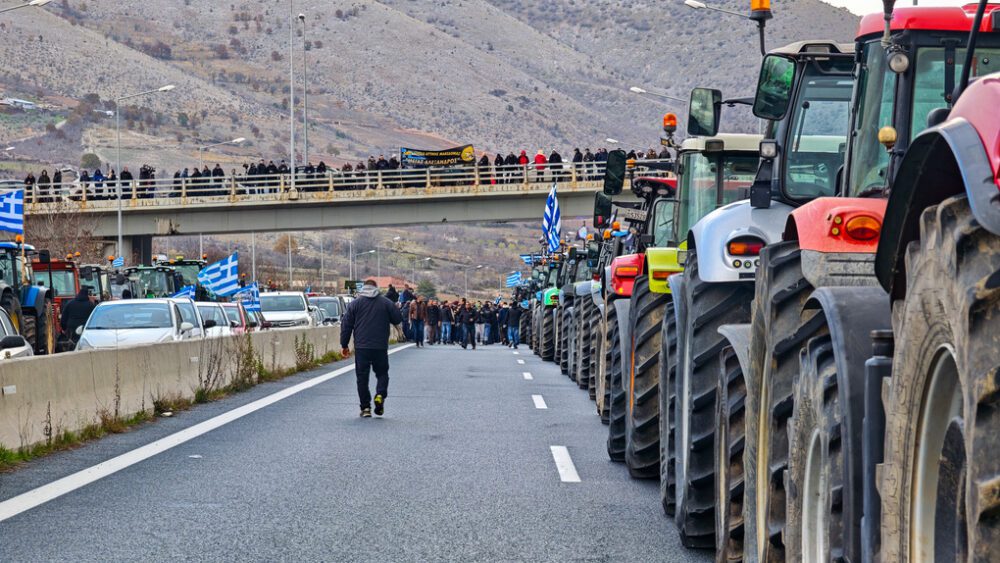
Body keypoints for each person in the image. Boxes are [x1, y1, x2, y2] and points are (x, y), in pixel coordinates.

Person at [340, 279, 403, 418]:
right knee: (382, 373)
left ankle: (366, 408)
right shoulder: (386, 303)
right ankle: (380, 394)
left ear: (364, 288)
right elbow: (398, 318)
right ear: (376, 288)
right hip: (380, 347)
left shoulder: (355, 304)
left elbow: (346, 326)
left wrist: (344, 345)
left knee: (362, 377)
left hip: (362, 347)